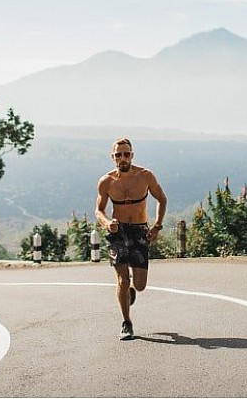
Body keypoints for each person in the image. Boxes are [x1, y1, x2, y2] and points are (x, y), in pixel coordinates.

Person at [95, 138, 167, 340]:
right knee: (122, 280)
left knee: (141, 284)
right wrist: (107, 223)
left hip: (139, 231)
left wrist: (157, 226)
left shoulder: (145, 176)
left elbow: (162, 199)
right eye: (118, 154)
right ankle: (126, 322)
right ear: (113, 157)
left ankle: (132, 291)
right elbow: (98, 210)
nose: (122, 158)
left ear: (132, 155)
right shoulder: (106, 181)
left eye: (126, 154)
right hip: (117, 232)